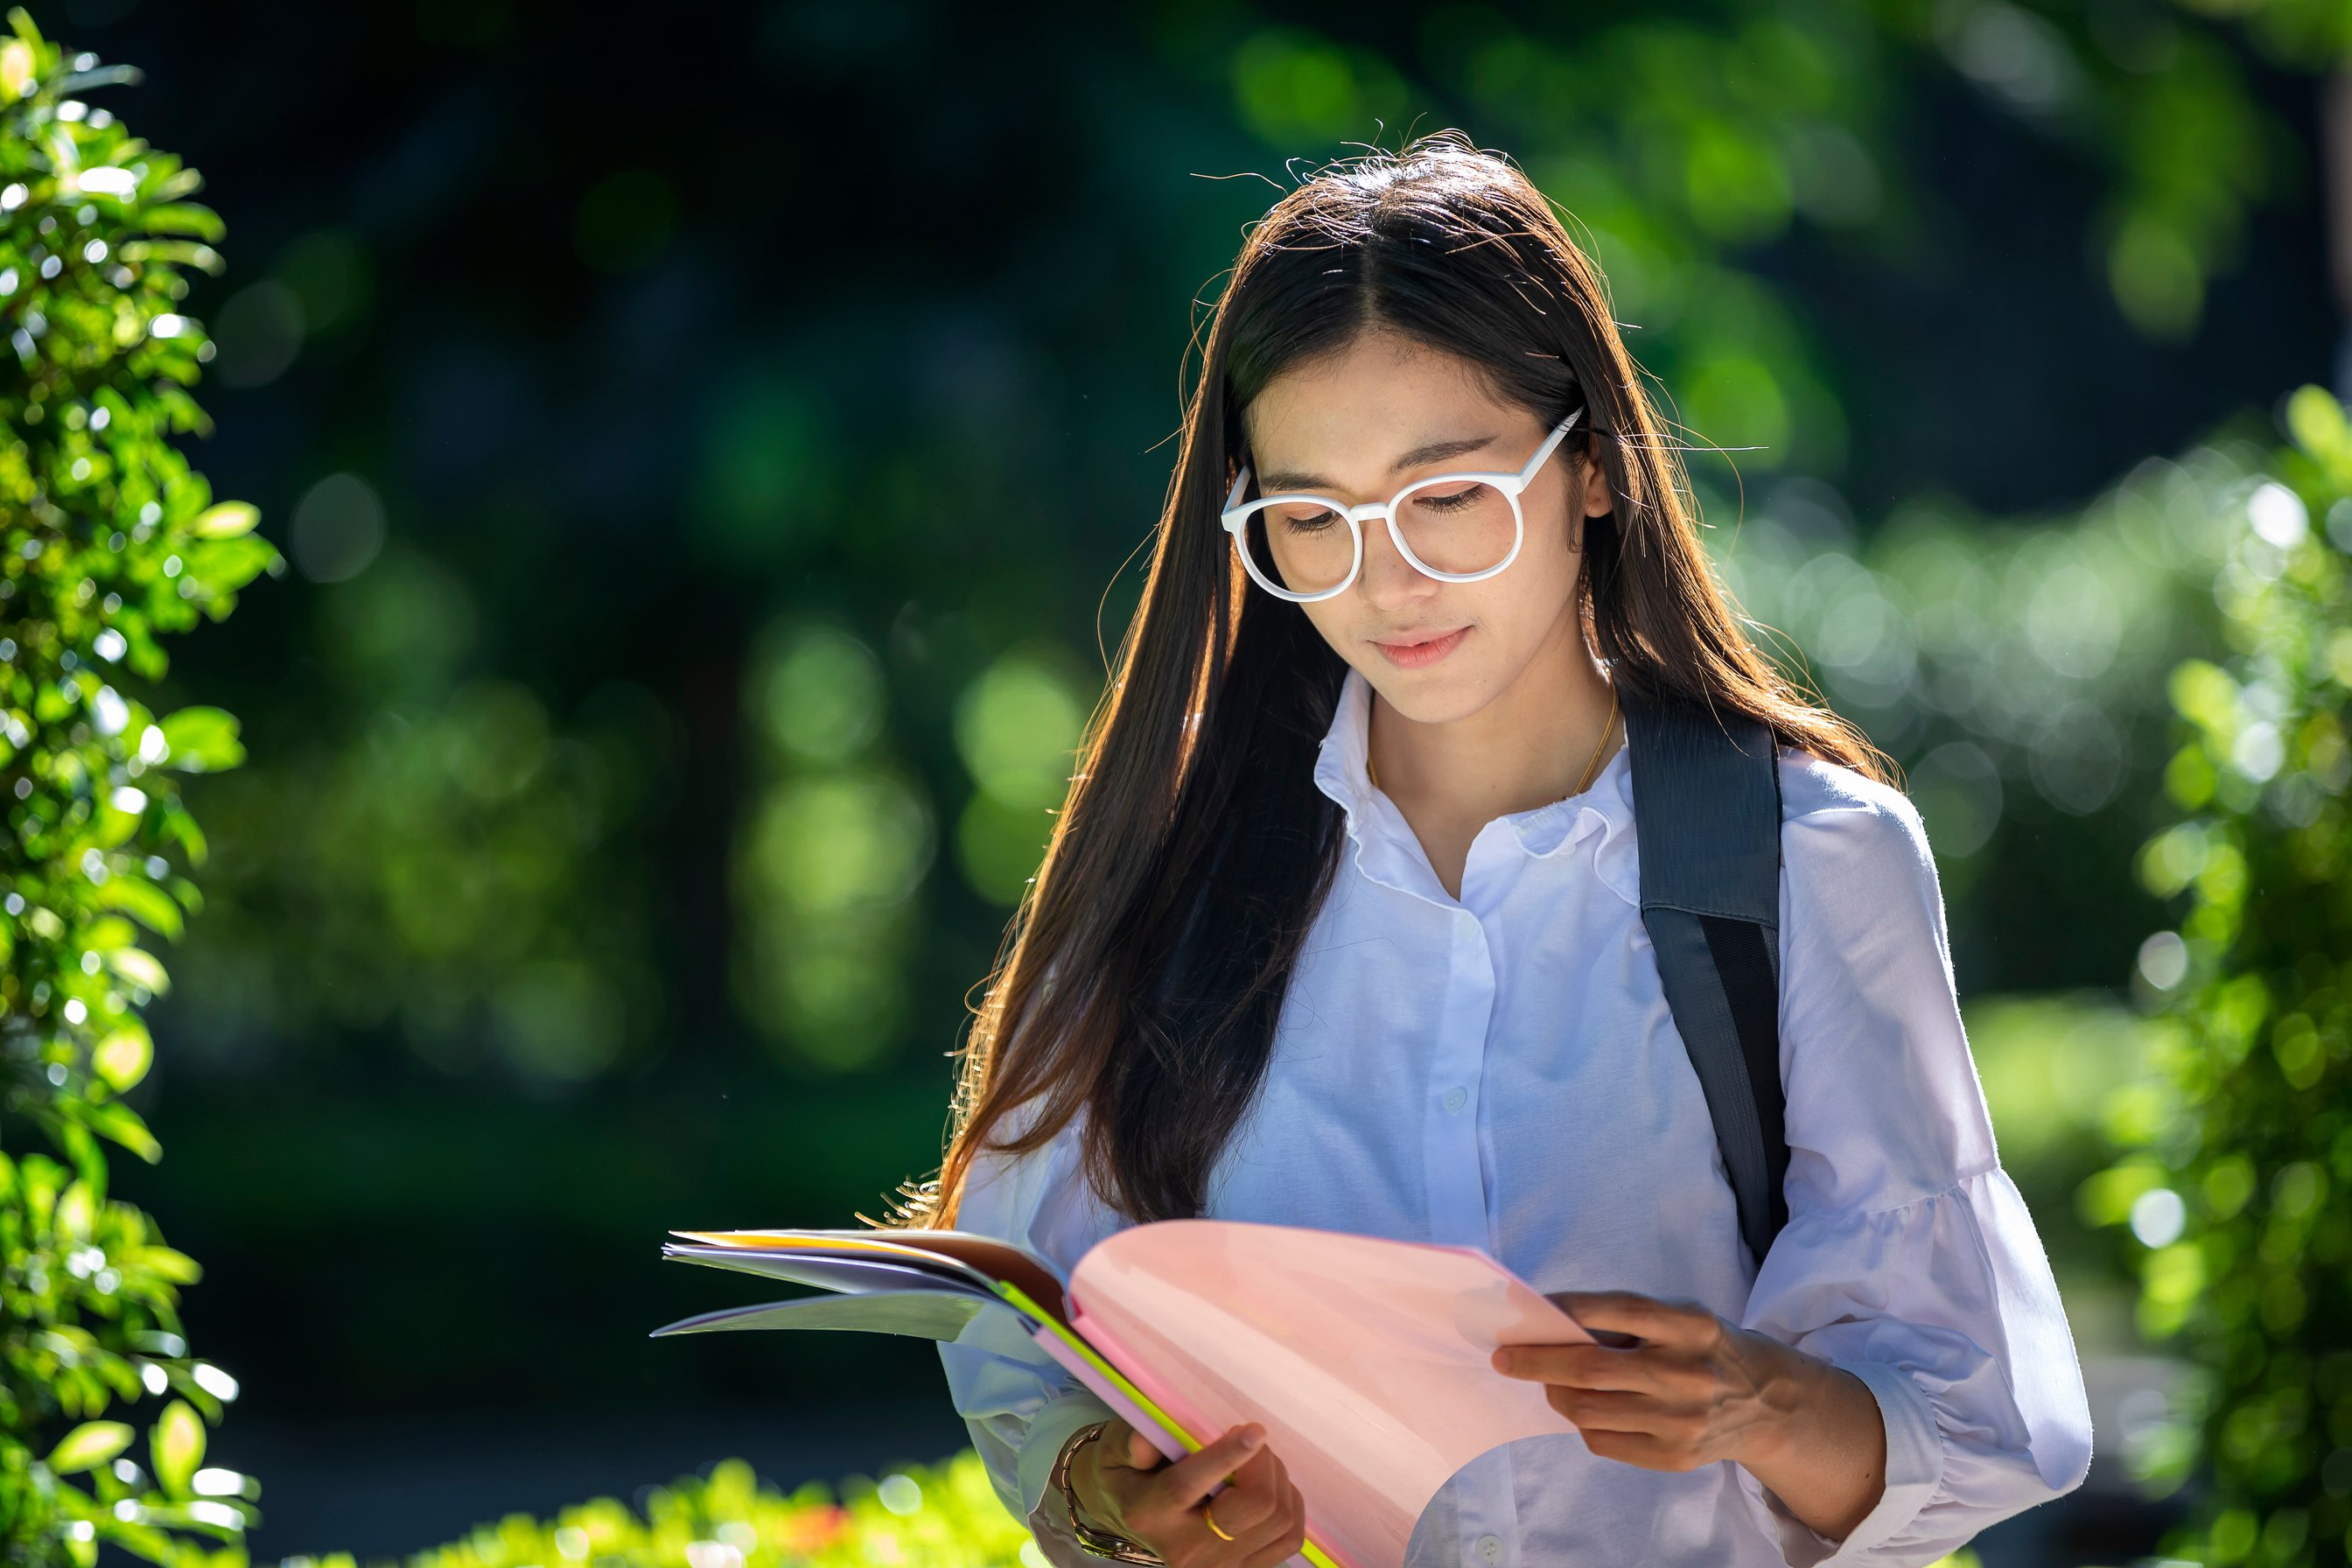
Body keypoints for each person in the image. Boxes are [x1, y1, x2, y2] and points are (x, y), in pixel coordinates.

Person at [887, 130, 2093, 1568]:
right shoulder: (1168, 861)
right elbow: (1019, 1328)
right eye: (1310, 517)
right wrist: (1118, 1502)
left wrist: (1760, 1405)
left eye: (1447, 494)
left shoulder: (1811, 860)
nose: (1384, 578)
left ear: (1590, 467)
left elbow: (1980, 1417)